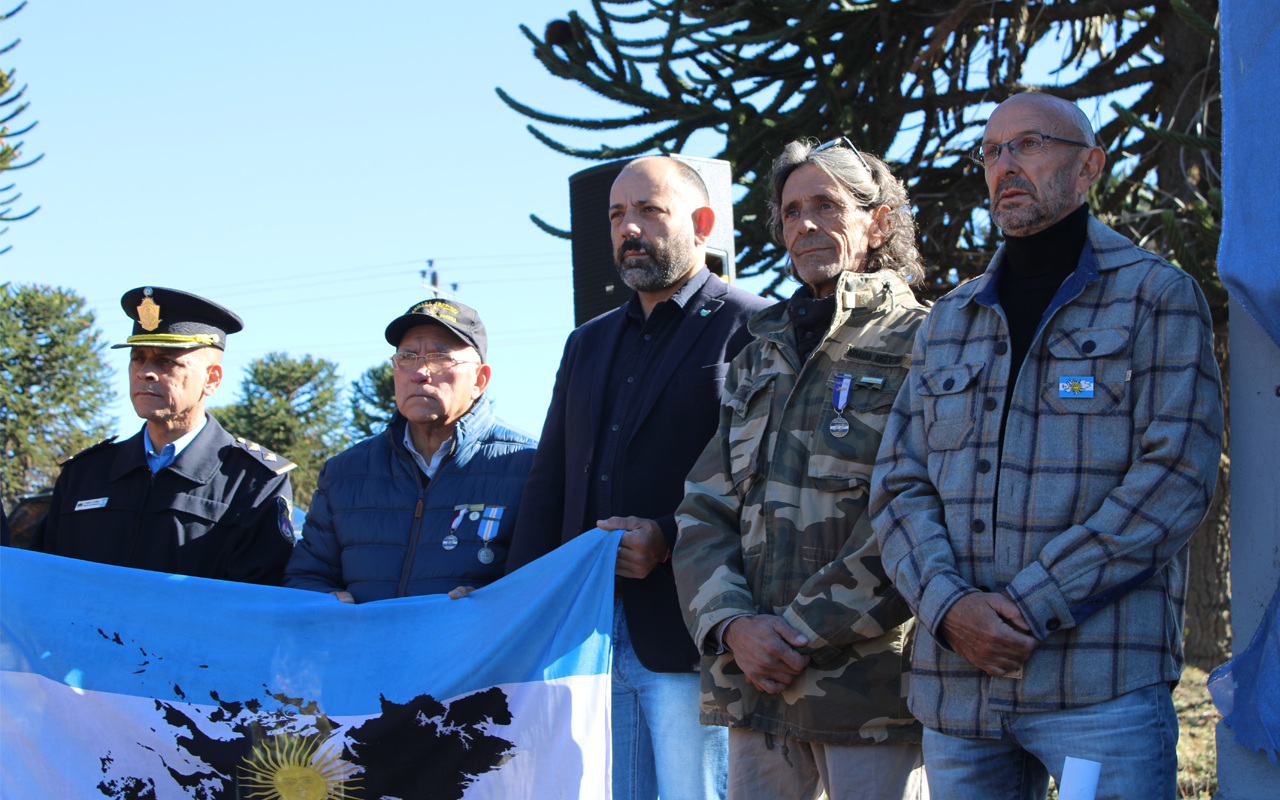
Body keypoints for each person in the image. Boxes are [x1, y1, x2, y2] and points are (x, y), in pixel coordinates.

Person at [869, 92, 1224, 800]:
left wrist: (1031, 605)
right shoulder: (949, 319)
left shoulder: (1156, 296)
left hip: (1099, 688)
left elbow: (1175, 477)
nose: (1005, 165)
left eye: (1029, 144)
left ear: (1089, 165)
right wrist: (949, 607)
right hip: (960, 696)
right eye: (991, 152)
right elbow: (899, 484)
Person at [505, 155, 770, 800]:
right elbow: (548, 482)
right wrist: (518, 604)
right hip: (586, 637)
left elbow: (766, 481)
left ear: (702, 224)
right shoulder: (586, 343)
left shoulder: (756, 326)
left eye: (650, 211)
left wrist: (669, 538)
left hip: (695, 634)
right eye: (617, 215)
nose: (629, 228)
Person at [674, 139, 930, 800]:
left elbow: (923, 509)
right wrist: (733, 625)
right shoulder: (757, 357)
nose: (805, 224)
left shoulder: (928, 342)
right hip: (756, 694)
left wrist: (797, 632)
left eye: (826, 205)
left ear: (878, 223)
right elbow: (704, 506)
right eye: (791, 211)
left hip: (872, 697)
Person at [32, 287, 295, 584]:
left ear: (211, 379)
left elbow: (257, 598)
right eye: (137, 358)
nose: (145, 372)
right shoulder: (84, 473)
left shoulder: (253, 481)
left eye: (166, 361)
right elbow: (42, 579)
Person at [285, 298, 536, 602]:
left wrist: (491, 603)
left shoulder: (530, 467)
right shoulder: (344, 474)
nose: (419, 372)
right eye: (407, 357)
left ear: (479, 380)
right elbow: (305, 576)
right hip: (365, 635)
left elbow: (552, 580)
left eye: (440, 358)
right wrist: (327, 600)